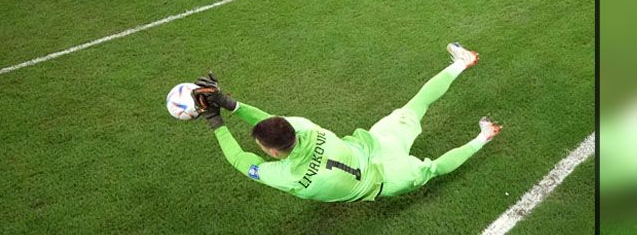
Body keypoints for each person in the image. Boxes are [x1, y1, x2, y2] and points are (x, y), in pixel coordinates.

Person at [190, 43, 502, 202]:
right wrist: (228, 103)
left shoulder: (289, 177)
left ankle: (483, 137)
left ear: (272, 153)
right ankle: (463, 63)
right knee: (417, 104)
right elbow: (268, 122)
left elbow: (239, 160)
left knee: (432, 169)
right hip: (377, 144)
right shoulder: (305, 127)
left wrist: (215, 120)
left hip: (386, 180)